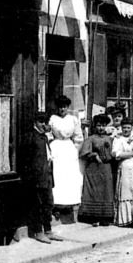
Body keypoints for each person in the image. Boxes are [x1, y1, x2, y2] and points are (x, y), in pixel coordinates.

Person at [24, 112, 64, 243]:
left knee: (48, 204)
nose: (43, 125)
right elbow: (26, 159)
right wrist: (30, 176)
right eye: (40, 122)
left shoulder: (44, 138)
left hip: (46, 175)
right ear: (35, 123)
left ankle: (48, 230)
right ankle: (38, 232)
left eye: (45, 122)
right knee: (37, 205)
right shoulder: (30, 137)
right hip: (36, 177)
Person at [48, 95, 83, 223]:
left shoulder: (73, 120)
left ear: (68, 107)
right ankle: (56, 205)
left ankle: (68, 206)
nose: (62, 109)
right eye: (60, 107)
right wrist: (51, 148)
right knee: (57, 176)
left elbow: (79, 137)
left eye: (65, 107)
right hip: (56, 147)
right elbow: (48, 135)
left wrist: (75, 150)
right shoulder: (52, 119)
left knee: (69, 176)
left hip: (69, 148)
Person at [78, 114, 114, 226]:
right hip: (93, 168)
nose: (101, 128)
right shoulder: (91, 138)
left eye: (103, 125)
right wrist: (93, 154)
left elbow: (115, 152)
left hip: (106, 167)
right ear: (95, 126)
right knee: (95, 191)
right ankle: (94, 217)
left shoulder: (110, 138)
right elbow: (83, 153)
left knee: (106, 191)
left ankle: (105, 217)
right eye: (99, 125)